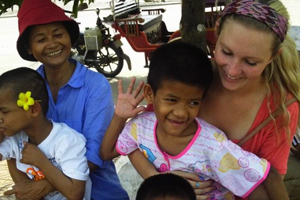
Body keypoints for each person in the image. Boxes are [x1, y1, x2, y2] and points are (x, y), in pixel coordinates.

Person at [126, 0, 300, 199]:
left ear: (273, 56)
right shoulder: (187, 75)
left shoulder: (280, 108)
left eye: (250, 62)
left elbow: (270, 181)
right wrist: (161, 179)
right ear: (216, 31)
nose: (233, 71)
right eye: (226, 52)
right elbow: (135, 140)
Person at [100, 41, 289, 200]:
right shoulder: (141, 127)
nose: (181, 113)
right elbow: (107, 152)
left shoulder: (213, 146)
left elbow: (267, 177)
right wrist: (119, 116)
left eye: (193, 102)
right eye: (171, 100)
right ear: (150, 94)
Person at [2, 0, 129, 199]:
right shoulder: (25, 89)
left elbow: (96, 154)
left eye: (58, 34)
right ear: (29, 48)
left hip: (98, 192)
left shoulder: (95, 85)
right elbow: (13, 142)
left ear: (69, 37)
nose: (52, 44)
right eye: (41, 39)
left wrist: (46, 185)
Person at [0, 67, 91, 200]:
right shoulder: (16, 139)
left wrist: (41, 161)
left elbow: (75, 193)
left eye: (5, 112)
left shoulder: (67, 141)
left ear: (33, 109)